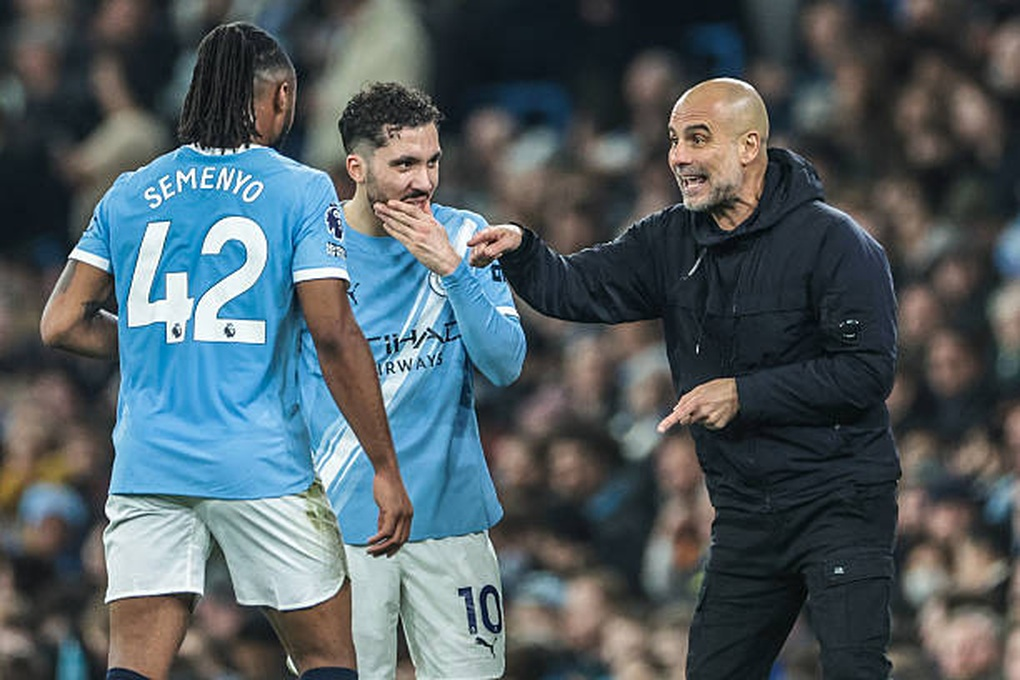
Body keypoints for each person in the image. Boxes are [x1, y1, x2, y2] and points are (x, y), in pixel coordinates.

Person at [467, 77, 901, 678]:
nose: (678, 157)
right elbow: (577, 287)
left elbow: (867, 372)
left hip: (840, 500)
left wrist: (744, 394)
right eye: (673, 140)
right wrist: (522, 251)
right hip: (745, 511)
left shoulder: (836, 242)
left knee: (855, 672)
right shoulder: (669, 239)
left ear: (749, 146)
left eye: (698, 139)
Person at [39, 22, 412, 680]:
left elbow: (61, 322)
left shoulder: (130, 191)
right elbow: (333, 332)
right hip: (260, 462)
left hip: (149, 465)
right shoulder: (301, 189)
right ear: (282, 96)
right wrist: (384, 465)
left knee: (133, 668)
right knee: (328, 660)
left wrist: (161, 342)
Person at [300, 81, 525, 679]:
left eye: (432, 163)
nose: (424, 182)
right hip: (342, 525)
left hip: (452, 520)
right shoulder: (311, 250)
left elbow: (506, 364)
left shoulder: (463, 233)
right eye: (404, 165)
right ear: (357, 168)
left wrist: (452, 269)